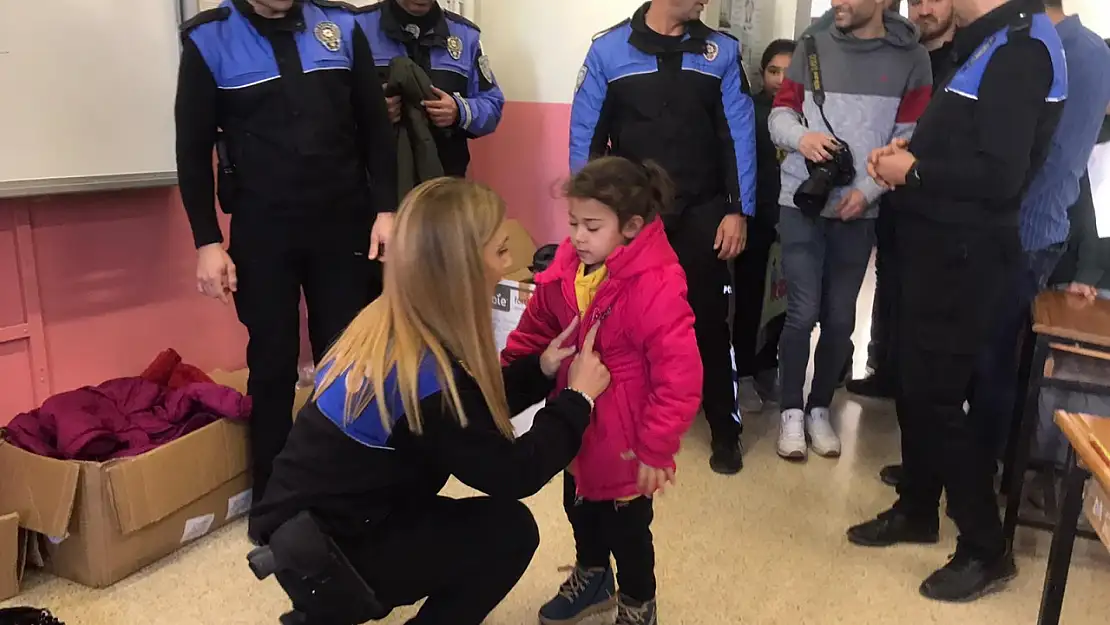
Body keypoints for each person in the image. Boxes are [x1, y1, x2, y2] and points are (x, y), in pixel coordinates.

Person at [248, 178, 611, 625]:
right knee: (510, 533)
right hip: (326, 557)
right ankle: (337, 602)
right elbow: (515, 472)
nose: (511, 261)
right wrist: (577, 400)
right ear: (460, 271)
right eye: (499, 251)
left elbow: (465, 415)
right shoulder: (431, 384)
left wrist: (540, 370)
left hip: (303, 531)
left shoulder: (384, 326)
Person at [850, 0, 1067, 602]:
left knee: (939, 397)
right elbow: (965, 145)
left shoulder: (1022, 50)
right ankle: (918, 507)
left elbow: (1001, 176)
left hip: (966, 254)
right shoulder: (989, 40)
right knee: (918, 385)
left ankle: (984, 547)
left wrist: (912, 171)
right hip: (939, 244)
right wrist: (904, 157)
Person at [175, 0, 398, 502]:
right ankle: (274, 497)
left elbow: (375, 128)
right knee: (273, 362)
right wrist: (207, 241)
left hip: (342, 224)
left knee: (345, 357)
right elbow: (191, 152)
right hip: (262, 229)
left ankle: (348, 487)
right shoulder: (209, 39)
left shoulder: (340, 26)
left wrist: (386, 209)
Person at [502, 157, 702, 625]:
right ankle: (593, 576)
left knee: (629, 533)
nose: (577, 236)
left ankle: (637, 602)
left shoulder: (657, 286)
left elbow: (680, 377)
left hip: (627, 443)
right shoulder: (566, 271)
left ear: (631, 226)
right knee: (579, 509)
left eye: (592, 226)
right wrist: (507, 378)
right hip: (576, 427)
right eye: (573, 223)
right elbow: (535, 332)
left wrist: (656, 449)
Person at [570, 0, 757, 475]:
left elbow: (737, 136)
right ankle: (625, 423)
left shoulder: (721, 53)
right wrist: (588, 219)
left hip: (703, 212)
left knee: (709, 323)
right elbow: (586, 139)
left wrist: (738, 210)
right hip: (635, 219)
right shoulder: (608, 52)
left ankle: (725, 429)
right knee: (625, 326)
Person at [769, 0, 931, 462]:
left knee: (840, 317)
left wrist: (867, 191)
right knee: (801, 313)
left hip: (860, 209)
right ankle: (791, 411)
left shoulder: (912, 60)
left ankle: (820, 406)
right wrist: (801, 138)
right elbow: (779, 113)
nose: (837, 2)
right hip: (801, 200)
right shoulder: (812, 46)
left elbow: (910, 137)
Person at [968, 0, 1110, 463]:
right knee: (983, 354)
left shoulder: (1076, 52)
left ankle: (977, 471)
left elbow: (1044, 153)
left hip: (1025, 229)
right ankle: (965, 462)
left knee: (994, 358)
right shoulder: (1036, 41)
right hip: (1008, 222)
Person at [848, 0, 959, 403]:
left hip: (939, 195)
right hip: (888, 187)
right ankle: (884, 366)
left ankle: (916, 384)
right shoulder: (896, 54)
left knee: (923, 290)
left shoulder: (964, 60)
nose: (924, 9)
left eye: (935, 0)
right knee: (889, 277)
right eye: (917, 1)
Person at [356, 0, 504, 177]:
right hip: (376, 181)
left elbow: (492, 105)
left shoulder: (466, 36)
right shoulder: (357, 27)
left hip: (444, 183)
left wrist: (459, 110)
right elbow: (330, 106)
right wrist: (370, 112)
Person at [733, 39, 796, 414]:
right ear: (762, 73)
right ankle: (742, 367)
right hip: (754, 219)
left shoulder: (807, 116)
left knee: (785, 300)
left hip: (792, 220)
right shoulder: (748, 111)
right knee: (749, 296)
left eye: (789, 72)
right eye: (774, 71)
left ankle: (767, 365)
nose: (780, 79)